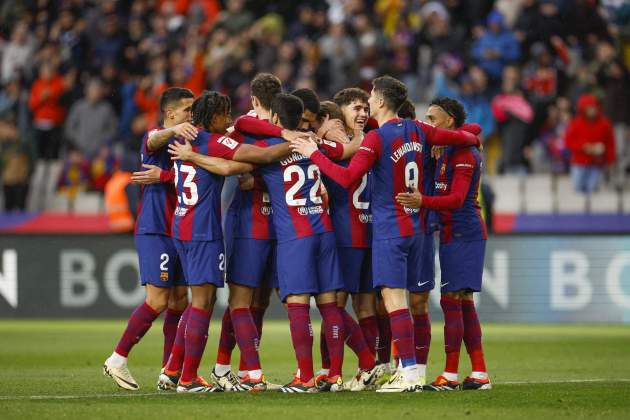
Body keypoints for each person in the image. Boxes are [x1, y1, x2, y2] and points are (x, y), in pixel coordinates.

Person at [290, 75, 481, 392]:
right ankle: (414, 373)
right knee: (406, 301)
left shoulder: (376, 140)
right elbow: (461, 137)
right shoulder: (419, 129)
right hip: (416, 227)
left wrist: (314, 154)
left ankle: (406, 372)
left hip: (390, 230)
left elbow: (348, 176)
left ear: (379, 101)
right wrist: (474, 136)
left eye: (371, 97)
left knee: (394, 301)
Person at [163, 91, 296, 392]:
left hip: (182, 226)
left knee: (201, 301)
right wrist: (302, 143)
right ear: (212, 117)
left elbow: (227, 167)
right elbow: (259, 157)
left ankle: (178, 371)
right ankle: (187, 378)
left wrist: (234, 167)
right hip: (202, 231)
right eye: (224, 114)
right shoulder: (212, 140)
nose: (230, 120)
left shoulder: (188, 138)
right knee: (202, 302)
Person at [103, 87, 197, 391]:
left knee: (180, 300)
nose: (191, 115)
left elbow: (186, 177)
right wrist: (172, 131)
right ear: (170, 113)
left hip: (181, 230)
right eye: (186, 110)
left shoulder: (190, 144)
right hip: (155, 229)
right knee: (157, 300)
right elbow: (152, 139)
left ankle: (169, 371)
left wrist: (165, 177)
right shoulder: (158, 136)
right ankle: (117, 359)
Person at [396, 97, 491, 391]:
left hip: (465, 233)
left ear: (449, 120)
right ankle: (479, 372)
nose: (429, 123)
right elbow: (471, 128)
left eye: (433, 118)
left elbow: (457, 199)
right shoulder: (446, 148)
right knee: (462, 303)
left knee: (453, 301)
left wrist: (422, 201)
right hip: (451, 233)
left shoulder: (464, 153)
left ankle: (450, 375)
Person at [318, 89, 382, 391]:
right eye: (356, 108)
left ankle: (333, 370)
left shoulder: (331, 145)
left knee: (334, 305)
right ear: (340, 111)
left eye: (366, 108)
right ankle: (366, 372)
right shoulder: (373, 140)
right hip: (368, 234)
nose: (362, 113)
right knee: (365, 307)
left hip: (347, 235)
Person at [565, 94, 616, 194]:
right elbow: (568, 141)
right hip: (579, 163)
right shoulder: (576, 123)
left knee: (592, 189)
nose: (592, 111)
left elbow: (610, 143)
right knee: (578, 188)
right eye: (588, 108)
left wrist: (610, 159)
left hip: (597, 163)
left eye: (593, 107)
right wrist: (584, 147)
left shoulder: (605, 124)